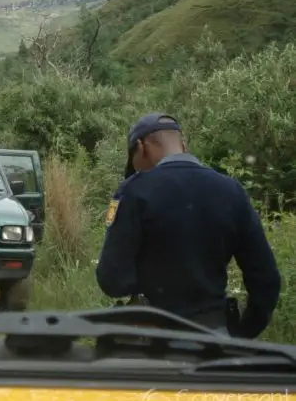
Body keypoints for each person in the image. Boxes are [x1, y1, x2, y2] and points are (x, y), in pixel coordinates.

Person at [95, 112, 281, 339]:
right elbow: (266, 279)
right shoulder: (231, 191)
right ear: (183, 144)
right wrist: (242, 335)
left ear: (142, 147)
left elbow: (112, 280)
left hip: (150, 341)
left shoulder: (134, 191)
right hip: (214, 338)